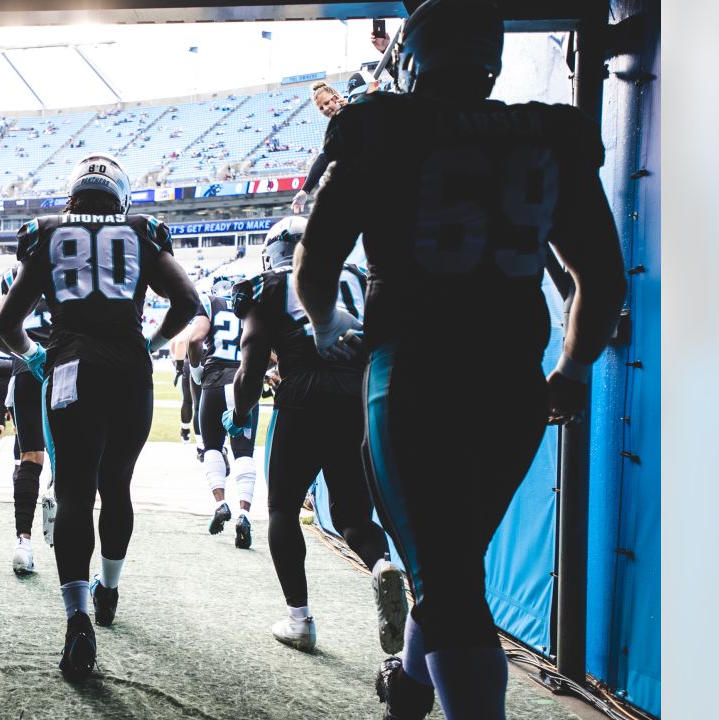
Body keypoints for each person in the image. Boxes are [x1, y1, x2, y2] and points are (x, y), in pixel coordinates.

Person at [292, 1, 627, 717]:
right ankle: (408, 692)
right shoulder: (548, 133)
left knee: (445, 577)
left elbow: (316, 260)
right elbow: (600, 277)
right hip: (511, 381)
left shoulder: (379, 125)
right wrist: (569, 369)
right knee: (450, 565)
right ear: (491, 60)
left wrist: (326, 322)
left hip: (412, 373)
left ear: (411, 59)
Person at [0, 152, 198, 680]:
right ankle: (108, 588)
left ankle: (78, 618)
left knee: (76, 492)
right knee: (118, 486)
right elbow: (188, 300)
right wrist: (150, 342)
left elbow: (7, 325)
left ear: (73, 195)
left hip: (70, 367)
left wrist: (36, 357)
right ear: (121, 197)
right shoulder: (142, 231)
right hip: (129, 368)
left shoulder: (47, 233)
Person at [223, 216, 407, 656]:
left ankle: (300, 620)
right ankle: (382, 564)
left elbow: (249, 369)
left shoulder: (265, 285)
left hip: (302, 395)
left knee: (283, 508)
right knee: (354, 516)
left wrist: (238, 412)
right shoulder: (359, 279)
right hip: (357, 397)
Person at [0, 266, 54, 575]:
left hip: (25, 371)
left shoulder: (14, 281)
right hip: (63, 366)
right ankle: (56, 496)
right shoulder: (58, 270)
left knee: (29, 456)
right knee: (70, 455)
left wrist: (23, 353)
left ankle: (23, 543)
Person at [186, 275, 259, 548]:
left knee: (213, 448)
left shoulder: (210, 302)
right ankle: (244, 513)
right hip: (243, 383)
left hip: (214, 384)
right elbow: (270, 351)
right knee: (244, 452)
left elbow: (195, 340)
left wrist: (195, 371)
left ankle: (221, 504)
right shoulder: (252, 306)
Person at [289, 81, 347, 215]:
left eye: (327, 103)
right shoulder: (333, 128)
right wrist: (305, 190)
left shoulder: (357, 107)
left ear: (335, 97)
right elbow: (324, 156)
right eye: (321, 108)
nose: (325, 109)